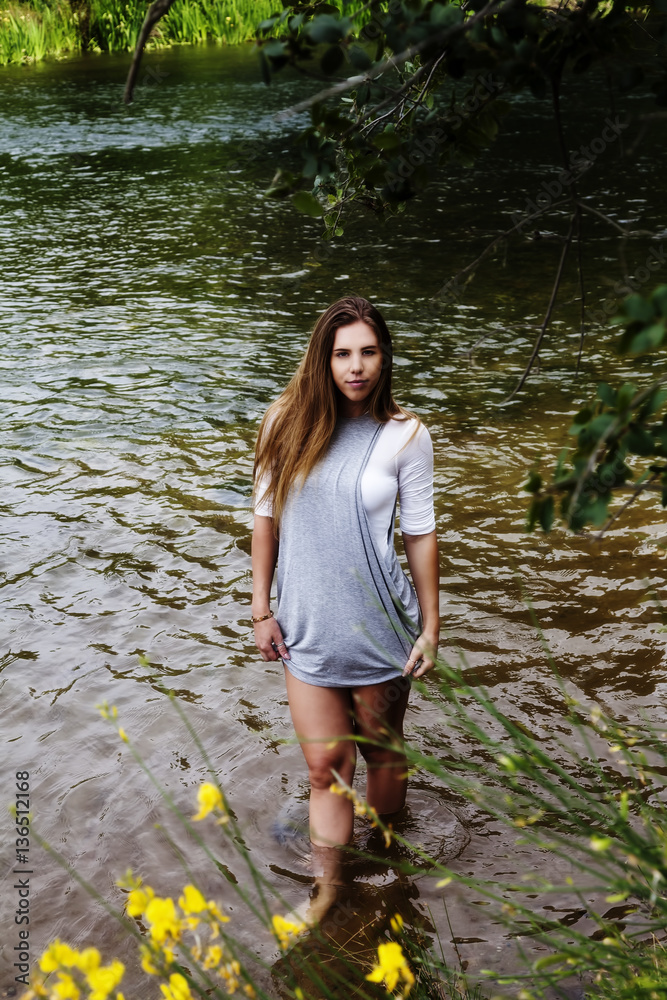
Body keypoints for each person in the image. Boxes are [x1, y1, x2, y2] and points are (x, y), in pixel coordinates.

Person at [251, 295, 439, 866]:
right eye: (342, 354)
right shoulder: (283, 424)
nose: (355, 366)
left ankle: (387, 860)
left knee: (383, 753)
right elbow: (265, 519)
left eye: (368, 352)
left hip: (381, 626)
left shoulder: (406, 435)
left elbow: (421, 535)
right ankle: (330, 889)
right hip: (306, 624)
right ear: (323, 359)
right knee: (324, 768)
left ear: (384, 359)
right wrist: (261, 608)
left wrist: (431, 626)